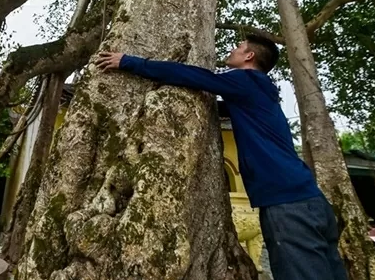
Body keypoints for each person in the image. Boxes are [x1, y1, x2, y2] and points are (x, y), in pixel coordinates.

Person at [94, 34, 347, 280]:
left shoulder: (245, 80)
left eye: (239, 46)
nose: (233, 50)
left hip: (288, 206)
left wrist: (128, 61)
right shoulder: (261, 93)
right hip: (313, 202)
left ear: (249, 56)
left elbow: (192, 76)